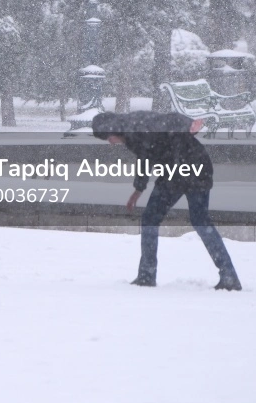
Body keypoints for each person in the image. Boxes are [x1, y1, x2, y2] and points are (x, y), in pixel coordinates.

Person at [92, 110, 241, 291]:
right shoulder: (132, 128)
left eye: (108, 137)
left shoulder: (135, 126)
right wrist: (138, 190)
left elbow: (169, 120)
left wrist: (189, 124)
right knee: (198, 220)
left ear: (113, 129)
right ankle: (228, 275)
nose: (110, 142)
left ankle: (147, 275)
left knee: (154, 219)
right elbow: (145, 157)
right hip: (190, 168)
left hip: (184, 170)